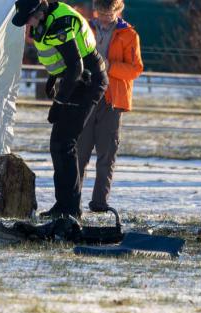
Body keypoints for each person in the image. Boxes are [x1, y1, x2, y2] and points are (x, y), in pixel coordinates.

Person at [11, 0, 108, 219]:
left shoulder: (59, 24)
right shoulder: (46, 19)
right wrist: (53, 78)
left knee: (64, 143)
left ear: (39, 11)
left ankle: (70, 209)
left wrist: (59, 103)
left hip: (87, 81)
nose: (27, 24)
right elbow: (62, 60)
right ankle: (65, 205)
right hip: (76, 80)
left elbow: (76, 66)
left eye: (28, 18)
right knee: (60, 144)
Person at [76, 0, 143, 212]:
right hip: (86, 98)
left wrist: (110, 66)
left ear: (118, 10)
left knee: (106, 155)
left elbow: (135, 69)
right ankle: (71, 200)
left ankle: (99, 202)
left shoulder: (129, 35)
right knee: (79, 153)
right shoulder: (85, 27)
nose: (104, 17)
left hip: (112, 101)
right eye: (101, 12)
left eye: (109, 13)